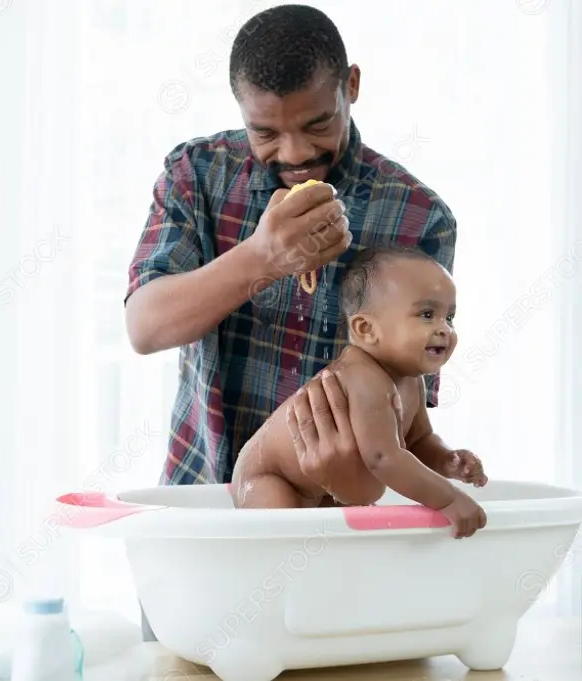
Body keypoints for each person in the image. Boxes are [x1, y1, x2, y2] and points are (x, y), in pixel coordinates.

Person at [123, 5, 457, 640]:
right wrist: (260, 258)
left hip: (340, 534)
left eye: (317, 123)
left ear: (351, 86)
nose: (296, 154)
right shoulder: (197, 175)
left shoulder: (418, 216)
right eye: (265, 134)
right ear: (240, 111)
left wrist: (402, 470)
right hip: (203, 520)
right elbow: (145, 326)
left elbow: (411, 390)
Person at [231, 245, 487, 538]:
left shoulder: (410, 380)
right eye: (427, 314)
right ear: (366, 329)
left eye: (449, 317)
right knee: (282, 542)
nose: (444, 329)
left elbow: (417, 441)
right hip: (270, 477)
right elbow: (384, 459)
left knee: (331, 555)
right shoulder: (363, 377)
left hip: (324, 483)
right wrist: (449, 499)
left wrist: (445, 459)